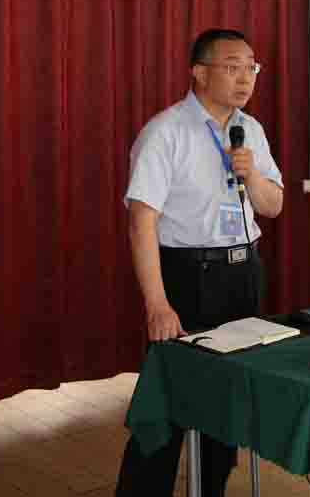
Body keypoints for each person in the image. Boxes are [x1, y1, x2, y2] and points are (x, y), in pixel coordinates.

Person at [115, 28, 284, 497]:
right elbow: (141, 221)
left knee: (226, 406)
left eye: (251, 67)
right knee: (167, 410)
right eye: (231, 67)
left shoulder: (251, 131)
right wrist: (157, 303)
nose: (245, 78)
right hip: (188, 278)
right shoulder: (165, 132)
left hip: (242, 274)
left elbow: (272, 205)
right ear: (199, 73)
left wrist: (251, 175)